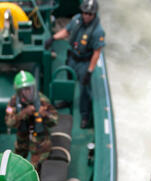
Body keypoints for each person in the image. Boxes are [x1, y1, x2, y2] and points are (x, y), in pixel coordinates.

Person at [44, 0, 105, 129]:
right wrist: (53, 38)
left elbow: (96, 52)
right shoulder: (77, 19)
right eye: (85, 12)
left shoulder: (98, 31)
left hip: (84, 62)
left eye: (90, 13)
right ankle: (67, 100)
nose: (87, 16)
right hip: (72, 57)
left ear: (94, 15)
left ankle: (84, 115)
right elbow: (66, 31)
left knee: (84, 90)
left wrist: (89, 71)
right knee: (69, 80)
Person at [5, 71, 58, 169]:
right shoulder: (13, 102)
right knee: (15, 164)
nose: (27, 92)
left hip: (40, 139)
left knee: (35, 167)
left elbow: (55, 121)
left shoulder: (42, 100)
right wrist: (23, 113)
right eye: (24, 90)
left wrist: (44, 115)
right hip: (23, 137)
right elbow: (9, 123)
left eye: (29, 89)